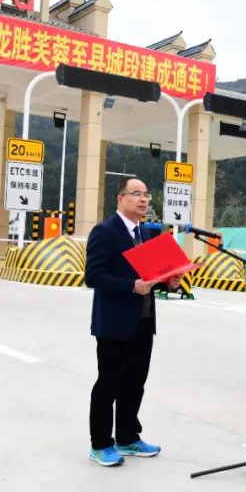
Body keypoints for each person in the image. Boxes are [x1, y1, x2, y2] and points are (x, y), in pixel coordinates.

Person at [84, 176, 181, 467]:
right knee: (109, 383)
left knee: (135, 382)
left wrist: (168, 282)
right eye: (136, 194)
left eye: (146, 194)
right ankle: (100, 444)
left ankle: (127, 437)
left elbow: (150, 276)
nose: (143, 199)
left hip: (143, 320)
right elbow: (94, 276)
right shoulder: (105, 231)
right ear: (120, 199)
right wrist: (130, 287)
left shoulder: (147, 233)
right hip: (115, 323)